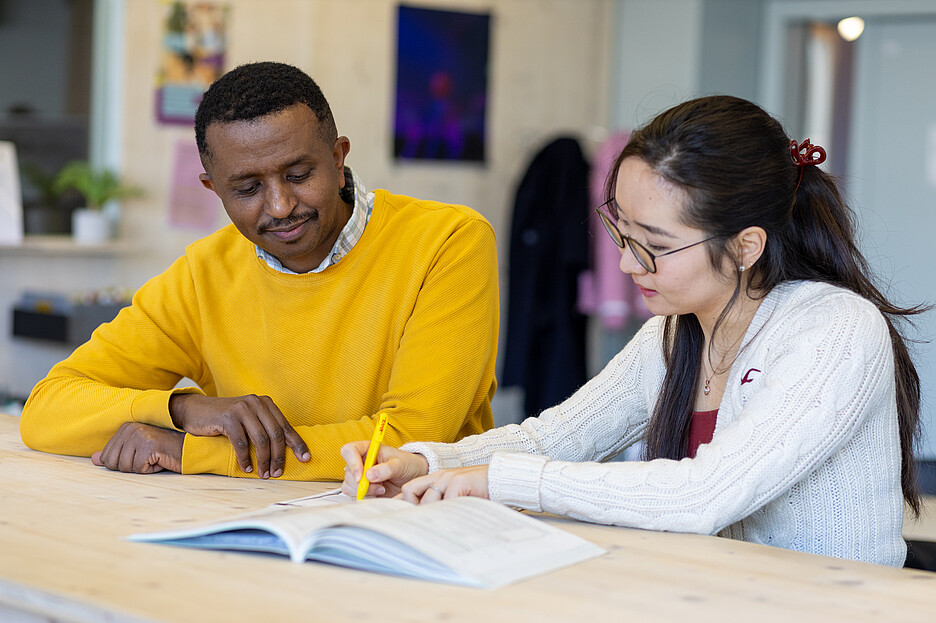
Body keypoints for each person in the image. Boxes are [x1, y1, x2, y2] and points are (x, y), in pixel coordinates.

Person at [341, 95, 926, 567]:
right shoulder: (674, 336)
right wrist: (423, 463)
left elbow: (705, 494)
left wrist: (498, 481)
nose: (626, 265)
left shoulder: (835, 330)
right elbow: (551, 441)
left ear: (747, 245)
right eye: (621, 234)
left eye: (656, 247)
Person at [20, 61, 499, 481]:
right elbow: (46, 410)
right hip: (255, 525)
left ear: (337, 158)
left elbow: (408, 440)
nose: (281, 205)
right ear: (213, 189)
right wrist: (181, 409)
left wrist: (191, 452)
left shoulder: (448, 242)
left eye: (297, 175)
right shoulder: (203, 274)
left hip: (423, 527)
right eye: (247, 188)